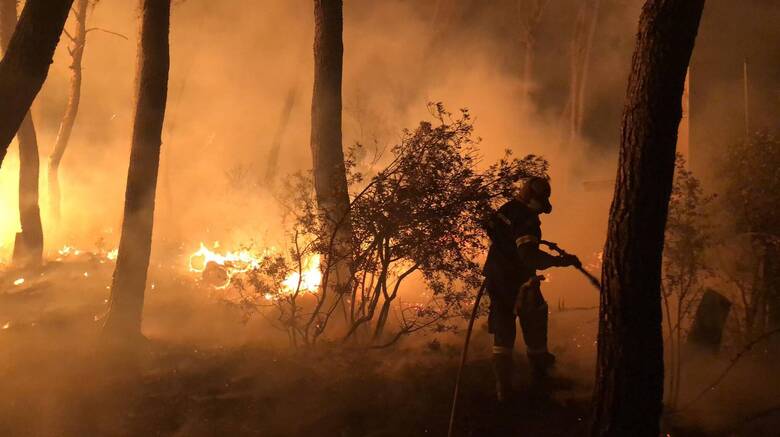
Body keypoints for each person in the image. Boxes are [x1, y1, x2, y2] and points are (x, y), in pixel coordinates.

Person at [482, 176, 579, 401]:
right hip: (519, 281)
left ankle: (503, 389)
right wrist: (561, 261)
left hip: (496, 277)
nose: (540, 212)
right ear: (535, 199)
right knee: (535, 320)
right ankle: (540, 378)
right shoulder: (528, 220)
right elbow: (529, 257)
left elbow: (493, 230)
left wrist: (506, 249)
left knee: (503, 329)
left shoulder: (507, 208)